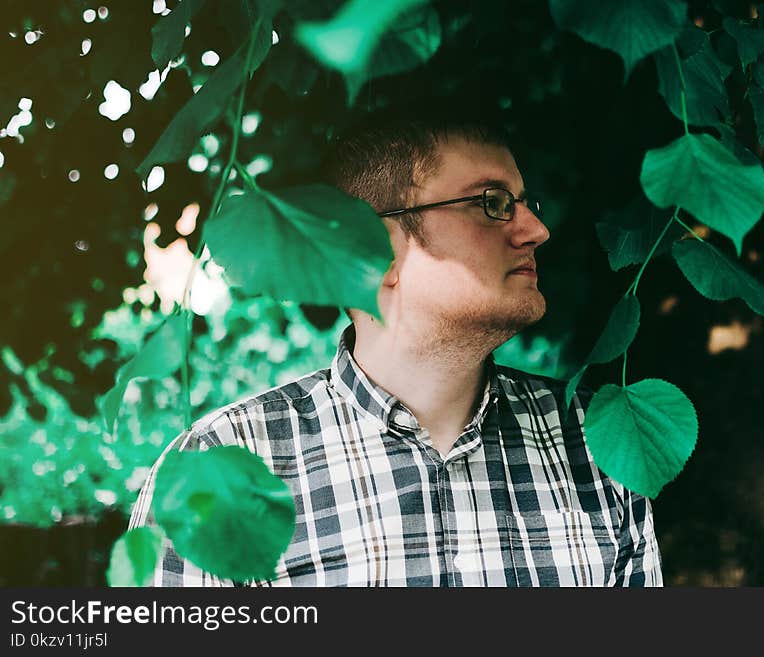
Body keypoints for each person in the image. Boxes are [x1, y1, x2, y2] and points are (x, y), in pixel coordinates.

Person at [128, 111, 663, 587]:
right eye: (492, 203)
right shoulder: (226, 463)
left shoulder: (596, 440)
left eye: (527, 203)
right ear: (376, 247)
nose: (536, 229)